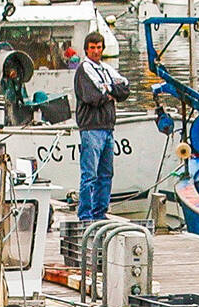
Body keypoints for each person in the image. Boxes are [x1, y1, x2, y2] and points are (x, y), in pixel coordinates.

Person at [73, 31, 129, 222]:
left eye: (98, 47)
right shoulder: (83, 70)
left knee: (105, 174)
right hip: (91, 128)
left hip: (107, 128)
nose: (96, 51)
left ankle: (99, 212)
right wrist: (110, 95)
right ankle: (86, 214)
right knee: (90, 175)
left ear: (102, 49)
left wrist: (108, 91)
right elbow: (91, 97)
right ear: (87, 49)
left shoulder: (106, 69)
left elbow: (125, 89)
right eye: (92, 48)